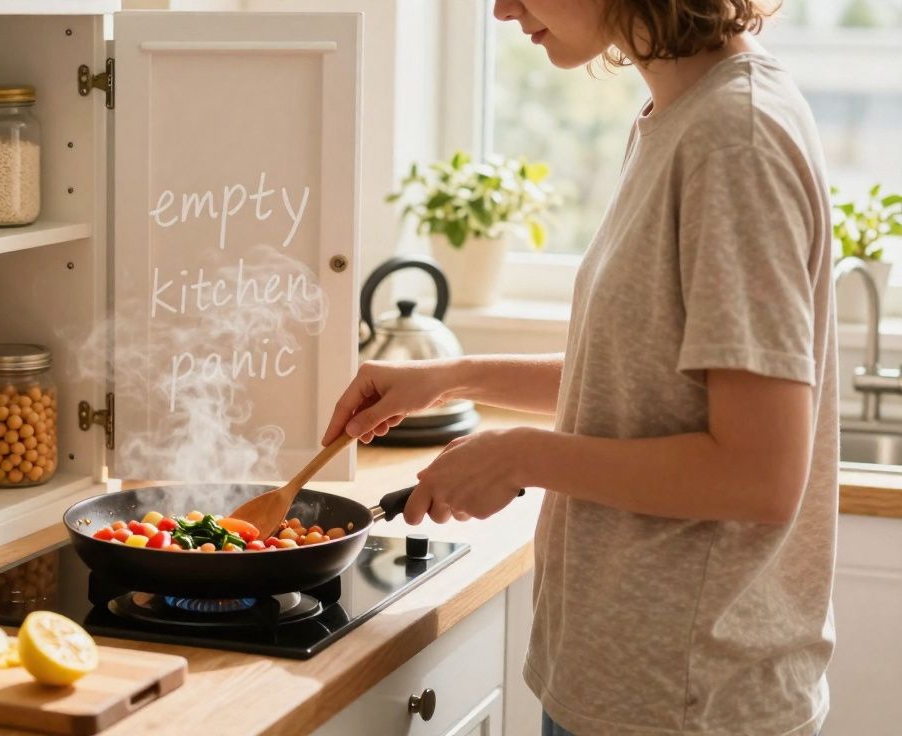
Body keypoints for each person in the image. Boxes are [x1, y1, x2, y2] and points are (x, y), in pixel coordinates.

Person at [323, 1, 835, 734]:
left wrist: (523, 455)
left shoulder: (735, 138)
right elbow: (648, 380)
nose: (500, 9)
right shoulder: (682, 115)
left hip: (685, 704)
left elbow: (759, 474)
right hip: (630, 685)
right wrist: (452, 376)